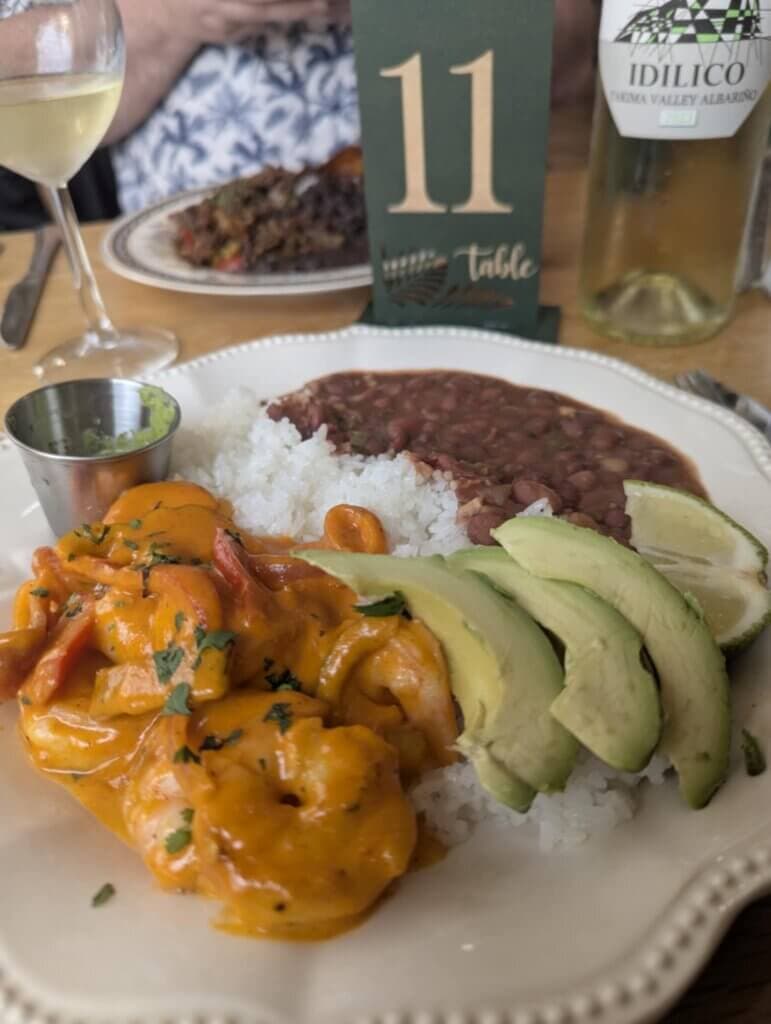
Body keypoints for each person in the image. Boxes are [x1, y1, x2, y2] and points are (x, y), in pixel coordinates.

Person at [108, 0, 599, 213]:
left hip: (465, 242)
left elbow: (578, 64)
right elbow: (35, 74)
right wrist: (170, 13)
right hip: (185, 273)